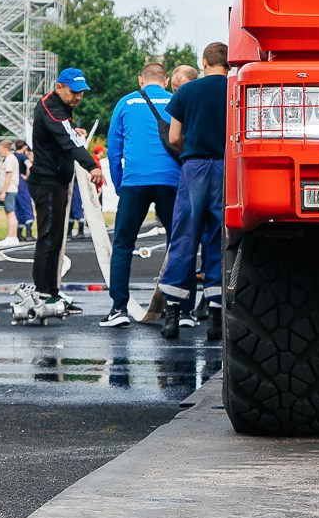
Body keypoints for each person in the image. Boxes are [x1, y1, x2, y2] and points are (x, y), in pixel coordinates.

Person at [101, 62, 182, 327]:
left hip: (135, 180)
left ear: (140, 80)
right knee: (179, 243)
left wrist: (118, 184)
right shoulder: (175, 100)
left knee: (123, 245)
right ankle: (180, 310)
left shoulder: (126, 103)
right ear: (166, 79)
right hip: (171, 179)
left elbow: (114, 149)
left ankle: (118, 308)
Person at [158, 43, 230, 340]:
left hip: (194, 167)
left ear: (204, 62)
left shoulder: (186, 92)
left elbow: (174, 137)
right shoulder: (235, 90)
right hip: (225, 168)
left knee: (184, 235)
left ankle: (172, 313)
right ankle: (215, 315)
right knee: (218, 237)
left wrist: (190, 152)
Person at [26, 69, 105, 317]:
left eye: (81, 92)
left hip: (57, 179)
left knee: (57, 239)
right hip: (47, 181)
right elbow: (67, 140)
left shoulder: (60, 107)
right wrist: (91, 165)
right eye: (74, 91)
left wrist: (74, 130)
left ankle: (52, 290)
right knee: (48, 238)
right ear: (59, 87)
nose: (78, 97)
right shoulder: (51, 107)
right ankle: (42, 292)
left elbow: (65, 134)